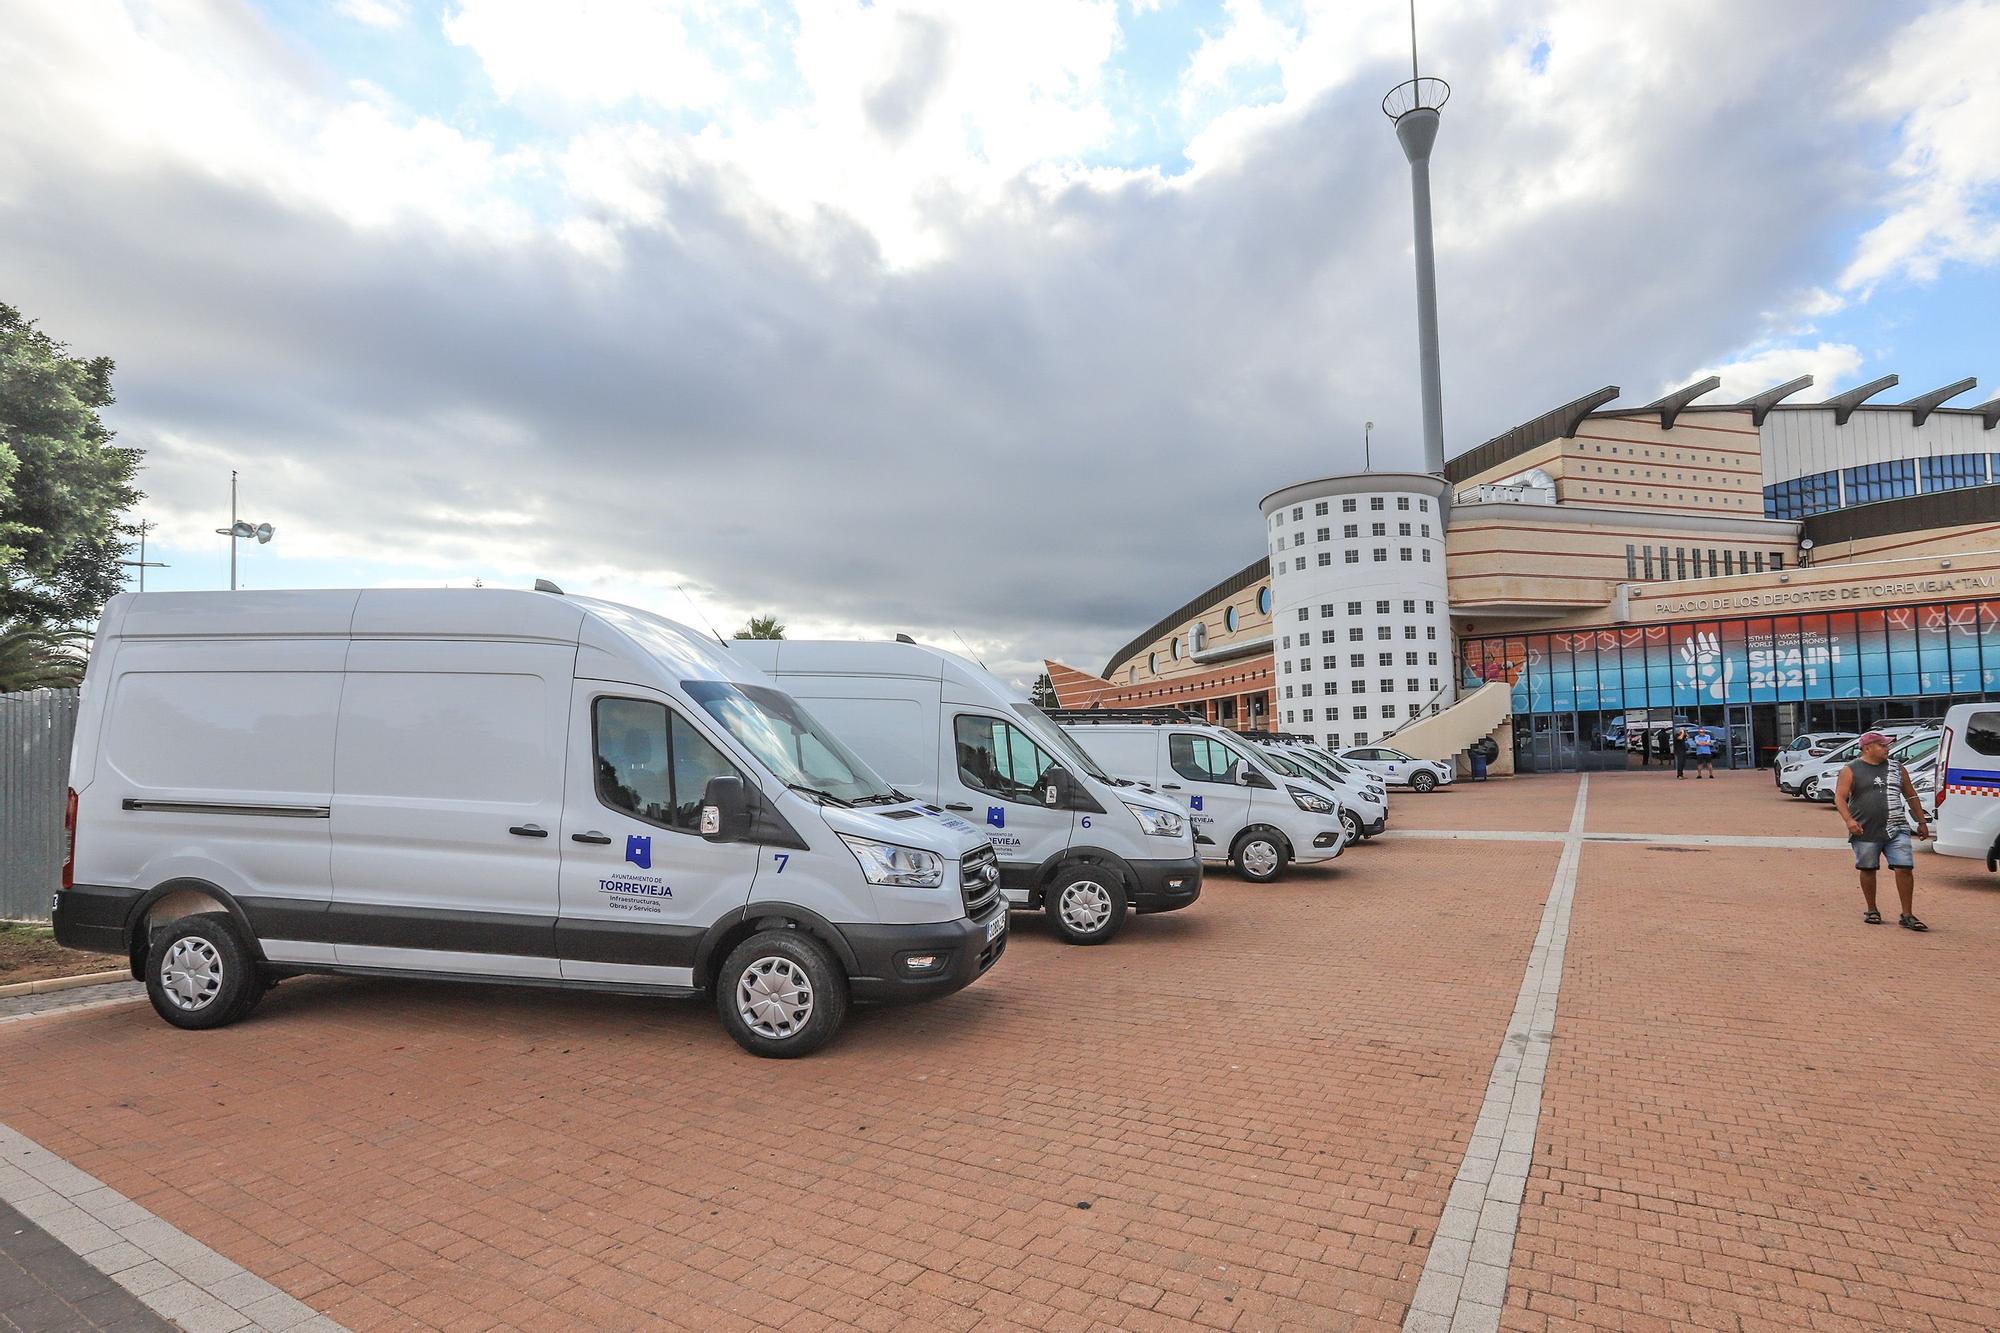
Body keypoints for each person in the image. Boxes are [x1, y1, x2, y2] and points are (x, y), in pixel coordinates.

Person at [1834, 731, 1931, 931]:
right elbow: (1840, 798)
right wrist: (1849, 820)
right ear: (1867, 748)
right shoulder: (1851, 770)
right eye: (1882, 745)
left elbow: (1910, 794)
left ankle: (1907, 914)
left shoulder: (1897, 768)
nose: (1887, 749)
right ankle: (1872, 909)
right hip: (1865, 829)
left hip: (1897, 827)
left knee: (1904, 867)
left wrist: (1921, 821)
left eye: (1887, 746)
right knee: (1868, 868)